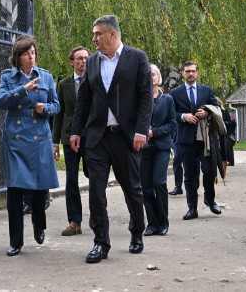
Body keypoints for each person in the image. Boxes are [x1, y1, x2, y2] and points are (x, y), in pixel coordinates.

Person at [70, 15, 152, 264]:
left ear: (112, 34)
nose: (93, 39)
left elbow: (145, 97)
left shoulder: (137, 58)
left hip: (125, 137)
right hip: (97, 137)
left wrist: (141, 130)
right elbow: (84, 99)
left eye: (97, 34)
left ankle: (137, 233)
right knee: (96, 191)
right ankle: (100, 243)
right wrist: (76, 130)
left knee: (132, 190)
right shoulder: (92, 62)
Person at [0, 35, 60, 256]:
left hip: (39, 137)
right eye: (26, 53)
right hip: (15, 138)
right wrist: (23, 89)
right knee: (14, 190)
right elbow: (1, 101)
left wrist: (46, 109)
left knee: (40, 187)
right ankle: (16, 241)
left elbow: (56, 105)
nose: (31, 57)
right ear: (18, 57)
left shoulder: (46, 77)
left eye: (33, 53)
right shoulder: (8, 77)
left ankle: (39, 223)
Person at [170, 61, 222, 220]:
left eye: (193, 71)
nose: (190, 74)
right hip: (185, 140)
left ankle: (210, 200)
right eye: (187, 71)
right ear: (183, 74)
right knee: (190, 175)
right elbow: (171, 114)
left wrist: (206, 112)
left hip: (204, 138)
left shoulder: (206, 90)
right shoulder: (175, 92)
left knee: (209, 170)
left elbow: (216, 108)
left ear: (197, 73)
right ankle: (192, 208)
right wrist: (183, 116)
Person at [52, 46, 91, 236]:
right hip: (69, 138)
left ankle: (97, 214)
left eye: (86, 58)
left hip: (92, 138)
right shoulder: (64, 84)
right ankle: (74, 221)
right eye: (79, 58)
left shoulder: (96, 81)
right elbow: (59, 114)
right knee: (71, 179)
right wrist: (54, 142)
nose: (83, 61)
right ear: (72, 62)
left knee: (96, 176)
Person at [142, 64, 177, 236]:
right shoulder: (139, 98)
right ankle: (152, 223)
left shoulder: (168, 99)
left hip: (162, 146)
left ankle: (163, 222)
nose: (151, 77)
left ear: (159, 77)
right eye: (148, 74)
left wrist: (153, 133)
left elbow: (172, 124)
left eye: (154, 74)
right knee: (146, 187)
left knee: (159, 183)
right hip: (143, 148)